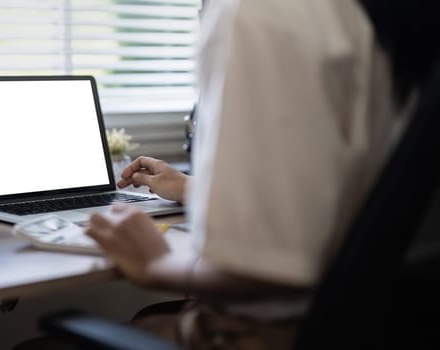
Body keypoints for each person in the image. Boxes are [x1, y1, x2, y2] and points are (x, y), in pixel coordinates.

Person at [83, 0, 438, 348]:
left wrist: (157, 264)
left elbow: (273, 271)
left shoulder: (264, 10)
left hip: (278, 334)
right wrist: (194, 189)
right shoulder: (391, 13)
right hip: (391, 324)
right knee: (150, 318)